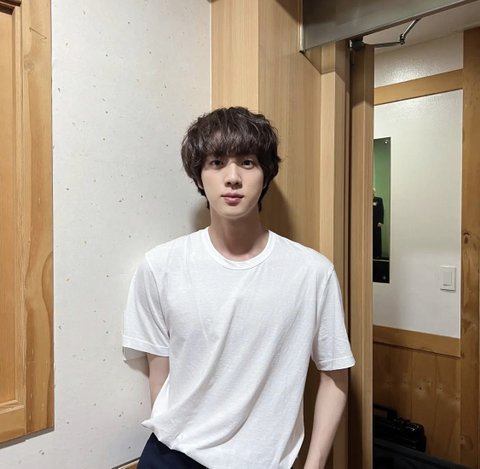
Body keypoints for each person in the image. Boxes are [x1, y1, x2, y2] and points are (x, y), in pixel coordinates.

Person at [123, 107, 355, 469]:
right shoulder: (161, 266)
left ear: (265, 174)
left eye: (247, 162)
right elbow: (158, 371)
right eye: (216, 163)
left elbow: (335, 374)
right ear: (199, 176)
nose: (232, 178)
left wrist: (314, 465)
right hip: (171, 457)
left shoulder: (312, 273)